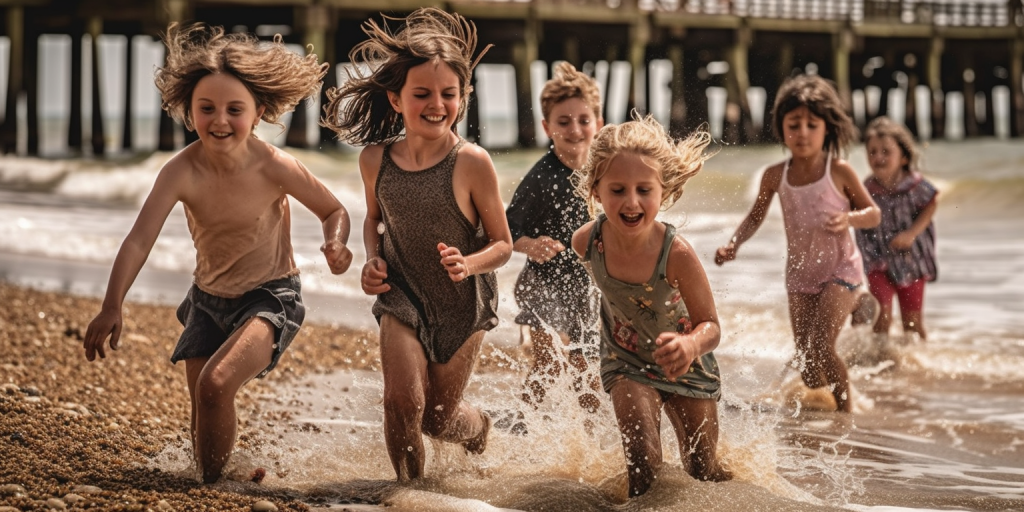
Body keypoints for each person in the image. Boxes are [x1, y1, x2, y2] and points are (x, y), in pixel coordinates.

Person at [82, 23, 353, 483]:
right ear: (189, 112)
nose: (220, 121)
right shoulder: (181, 171)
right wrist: (113, 304)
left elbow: (333, 209)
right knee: (203, 410)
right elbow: (138, 240)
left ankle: (217, 489)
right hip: (206, 300)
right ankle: (218, 483)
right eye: (206, 109)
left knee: (215, 384)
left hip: (271, 298)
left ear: (258, 111)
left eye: (234, 109)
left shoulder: (273, 165)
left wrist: (335, 242)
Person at [320, 7, 511, 481]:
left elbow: (503, 244)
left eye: (449, 94)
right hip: (400, 293)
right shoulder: (374, 160)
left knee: (438, 419)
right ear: (395, 98)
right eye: (422, 93)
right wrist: (371, 260)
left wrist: (469, 262)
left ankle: (479, 426)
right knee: (401, 401)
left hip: (461, 302)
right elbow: (373, 220)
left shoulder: (472, 163)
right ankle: (409, 493)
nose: (436, 104)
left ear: (463, 98)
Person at [571, 113, 731, 497]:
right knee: (643, 462)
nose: (631, 202)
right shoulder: (587, 242)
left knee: (702, 472)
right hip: (625, 360)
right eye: (617, 189)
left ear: (664, 190)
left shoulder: (676, 253)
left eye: (644, 190)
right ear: (595, 190)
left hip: (688, 367)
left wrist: (690, 344)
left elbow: (711, 325)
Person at [714, 74, 880, 413]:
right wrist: (734, 244)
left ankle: (846, 415)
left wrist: (849, 219)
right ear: (781, 128)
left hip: (840, 268)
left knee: (821, 345)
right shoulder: (775, 174)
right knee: (809, 365)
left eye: (811, 124)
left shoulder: (840, 171)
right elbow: (755, 216)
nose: (802, 132)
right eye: (794, 124)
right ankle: (826, 399)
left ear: (826, 129)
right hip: (801, 274)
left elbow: (873, 214)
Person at [505, 62, 603, 411]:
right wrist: (531, 245)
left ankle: (591, 444)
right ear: (547, 127)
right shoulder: (541, 179)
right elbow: (507, 229)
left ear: (599, 124)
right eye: (564, 122)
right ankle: (526, 422)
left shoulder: (604, 173)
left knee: (586, 370)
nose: (575, 130)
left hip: (587, 285)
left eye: (584, 120)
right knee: (548, 364)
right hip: (542, 281)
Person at [855, 116, 938, 341]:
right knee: (881, 313)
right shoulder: (866, 188)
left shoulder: (915, 184)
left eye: (885, 151)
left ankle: (920, 361)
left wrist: (911, 234)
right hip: (877, 258)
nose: (878, 157)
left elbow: (932, 203)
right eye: (872, 151)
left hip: (911, 260)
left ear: (902, 157)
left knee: (912, 322)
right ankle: (879, 357)